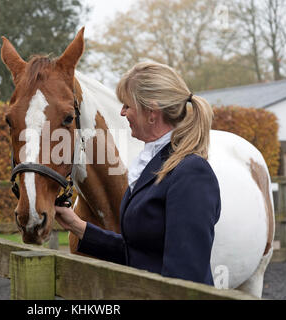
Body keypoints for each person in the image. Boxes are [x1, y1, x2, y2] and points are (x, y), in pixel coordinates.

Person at [55, 61, 221, 286]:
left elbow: (185, 275)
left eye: (127, 105)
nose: (122, 112)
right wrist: (78, 226)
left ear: (151, 112)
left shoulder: (191, 173)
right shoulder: (153, 163)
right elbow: (139, 253)